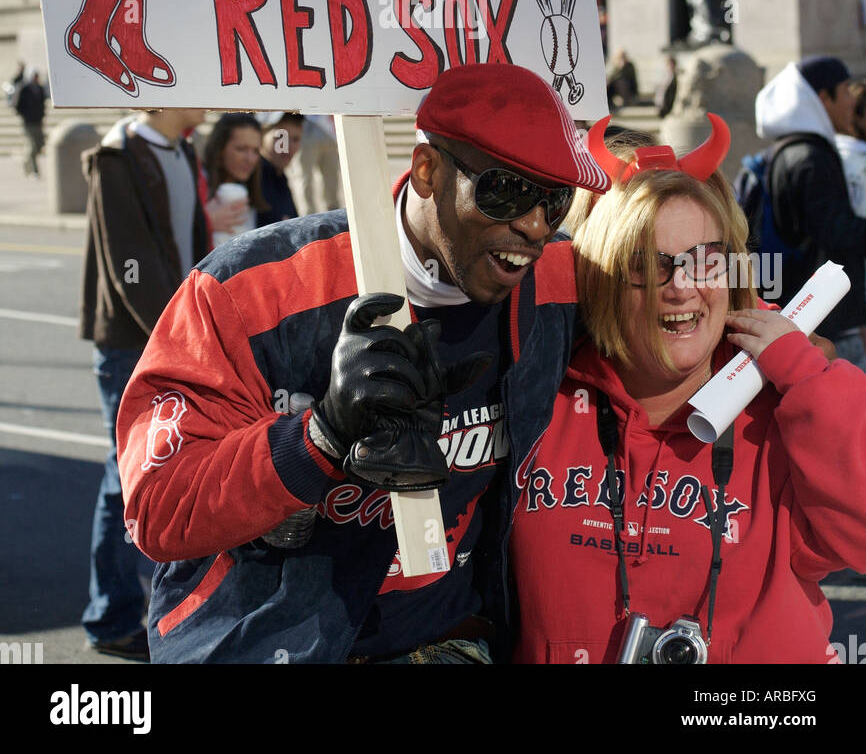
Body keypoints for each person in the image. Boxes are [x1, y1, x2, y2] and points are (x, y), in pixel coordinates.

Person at [116, 64, 610, 664]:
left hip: (445, 640)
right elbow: (159, 510)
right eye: (504, 190)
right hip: (256, 640)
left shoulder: (561, 282)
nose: (533, 226)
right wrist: (316, 438)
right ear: (427, 171)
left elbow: (679, 328)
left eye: (555, 200)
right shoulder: (249, 289)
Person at [510, 118, 866, 664]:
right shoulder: (539, 398)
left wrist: (807, 377)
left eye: (706, 259)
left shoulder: (780, 412)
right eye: (646, 265)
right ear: (601, 278)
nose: (681, 286)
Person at [80, 106, 209, 660]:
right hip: (138, 341)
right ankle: (109, 616)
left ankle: (164, 613)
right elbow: (128, 264)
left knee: (169, 472)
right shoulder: (118, 156)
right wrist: (175, 336)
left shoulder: (182, 147)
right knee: (125, 480)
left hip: (175, 330)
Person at [754, 55, 866, 369]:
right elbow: (835, 231)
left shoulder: (791, 148)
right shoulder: (811, 157)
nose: (850, 102)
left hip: (806, 309)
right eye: (845, 91)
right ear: (823, 97)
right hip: (827, 318)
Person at [202, 112, 268, 242]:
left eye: (256, 151)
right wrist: (206, 223)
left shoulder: (253, 193)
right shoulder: (198, 186)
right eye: (241, 149)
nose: (250, 159)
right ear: (220, 148)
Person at [256, 111, 303, 226]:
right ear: (262, 134)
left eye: (295, 139)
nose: (287, 146)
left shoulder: (280, 176)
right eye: (280, 137)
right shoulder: (252, 178)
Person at [296, 113, 341, 213]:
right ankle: (307, 216)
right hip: (306, 126)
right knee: (304, 177)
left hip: (329, 130)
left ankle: (333, 215)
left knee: (332, 178)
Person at [15, 68, 47, 176]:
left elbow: (42, 104)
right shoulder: (24, 88)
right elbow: (17, 104)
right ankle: (34, 170)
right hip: (28, 122)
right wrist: (24, 115)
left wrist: (42, 115)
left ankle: (26, 162)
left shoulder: (40, 88)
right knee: (32, 146)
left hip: (38, 121)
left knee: (39, 145)